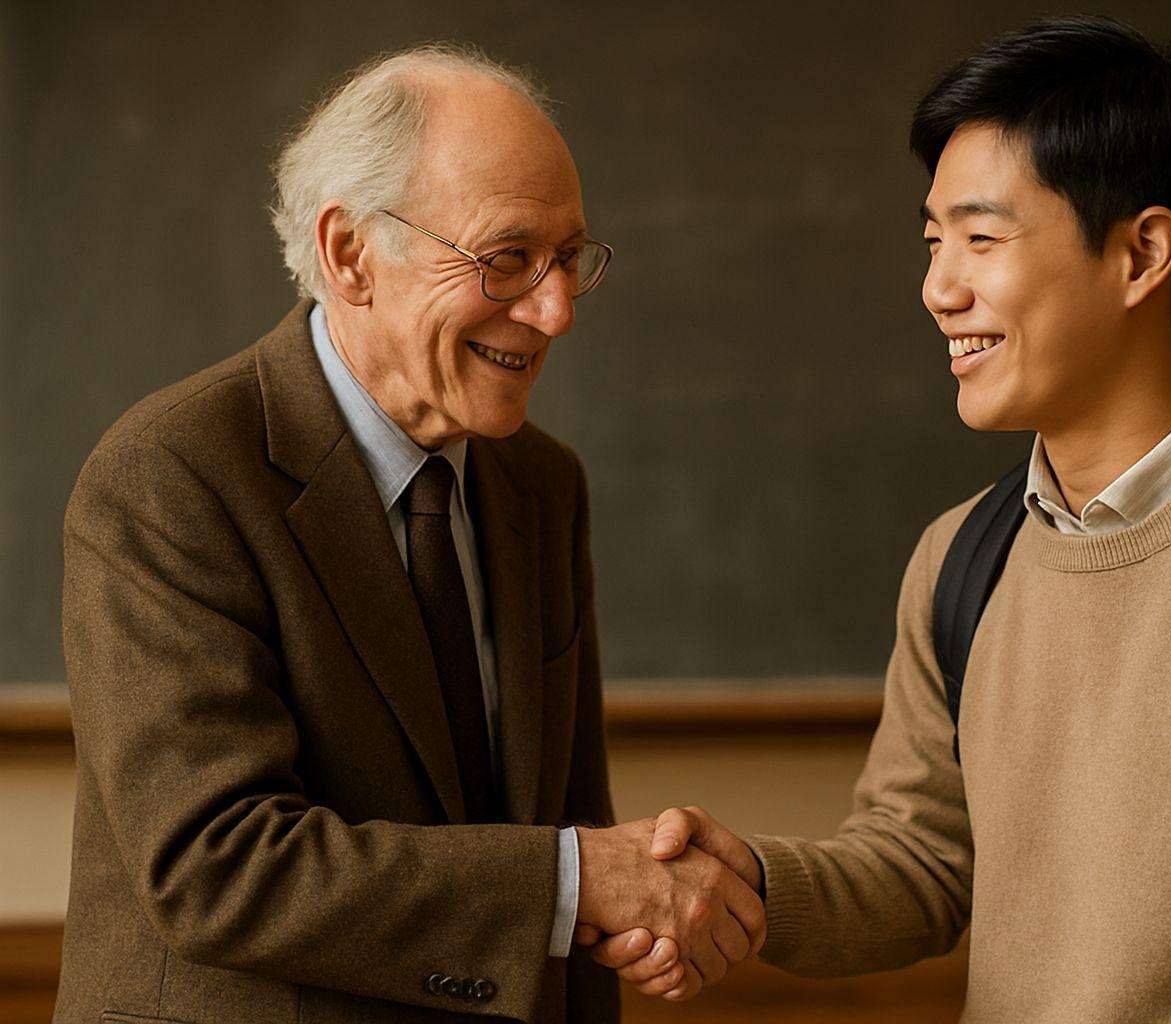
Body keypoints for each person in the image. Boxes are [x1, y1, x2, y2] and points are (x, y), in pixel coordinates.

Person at [594, 16, 1171, 1020]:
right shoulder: (962, 560)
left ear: (1142, 255)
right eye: (935, 240)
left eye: (982, 237)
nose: (940, 288)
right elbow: (922, 861)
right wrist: (750, 883)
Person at [56, 44, 761, 1024]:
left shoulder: (541, 485)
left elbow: (572, 834)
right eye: (507, 257)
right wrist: (576, 885)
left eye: (568, 259)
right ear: (351, 254)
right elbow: (216, 867)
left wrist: (621, 913)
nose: (554, 311)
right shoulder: (170, 474)